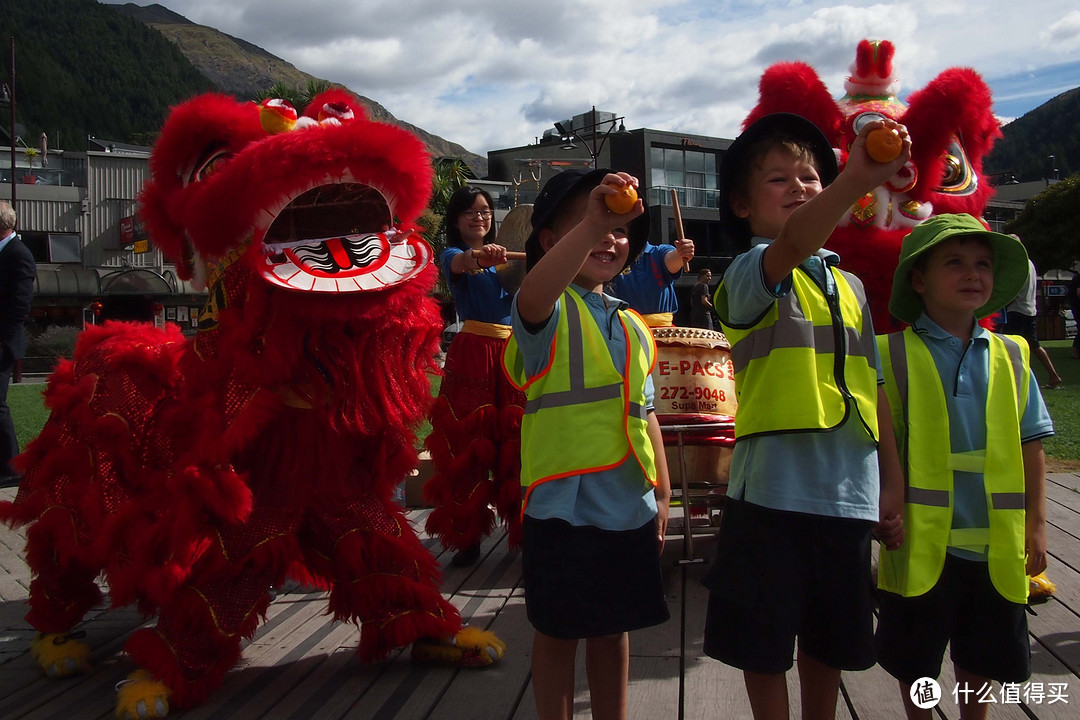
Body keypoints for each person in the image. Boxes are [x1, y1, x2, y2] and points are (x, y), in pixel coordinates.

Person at [700, 113, 909, 720]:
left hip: (847, 493)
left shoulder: (851, 286)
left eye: (813, 177)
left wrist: (890, 482)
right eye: (778, 178)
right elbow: (793, 244)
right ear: (740, 205)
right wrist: (858, 178)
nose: (800, 186)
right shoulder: (747, 273)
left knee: (831, 641)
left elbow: (874, 389)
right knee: (762, 647)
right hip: (770, 496)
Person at [503, 168, 671, 720]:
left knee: (613, 627)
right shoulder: (544, 310)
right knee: (558, 632)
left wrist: (663, 495)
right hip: (561, 505)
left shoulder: (634, 325)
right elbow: (533, 291)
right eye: (588, 222)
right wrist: (597, 219)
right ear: (550, 242)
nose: (609, 235)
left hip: (628, 503)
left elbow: (644, 414)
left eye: (621, 227)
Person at [874, 213, 1054, 720]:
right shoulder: (889, 356)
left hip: (995, 546)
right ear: (918, 279)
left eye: (982, 264)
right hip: (919, 543)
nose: (972, 273)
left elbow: (1031, 446)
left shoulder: (1014, 356)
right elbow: (878, 449)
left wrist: (1037, 527)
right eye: (954, 262)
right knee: (918, 664)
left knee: (983, 658)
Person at [424, 186, 526, 566]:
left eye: (485, 211)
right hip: (473, 352)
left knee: (518, 443)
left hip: (513, 353)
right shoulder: (451, 253)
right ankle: (466, 538)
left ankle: (523, 532)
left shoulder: (510, 259)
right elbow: (462, 263)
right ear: (455, 220)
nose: (479, 217)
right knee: (467, 444)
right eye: (470, 212)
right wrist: (480, 257)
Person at [0, 200, 36, 487]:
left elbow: (19, 306)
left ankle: (12, 468)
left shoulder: (18, 254)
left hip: (2, 343)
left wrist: (3, 341)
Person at [1001, 252, 1062, 388]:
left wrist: (1003, 303)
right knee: (1034, 345)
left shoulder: (1018, 265)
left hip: (1016, 310)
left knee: (1010, 345)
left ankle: (1016, 379)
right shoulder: (1030, 264)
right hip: (1030, 309)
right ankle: (1053, 375)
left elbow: (1014, 290)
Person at [610, 233, 694, 327]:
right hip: (621, 329)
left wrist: (681, 254)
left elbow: (673, 259)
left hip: (661, 333)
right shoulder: (610, 258)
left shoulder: (658, 252)